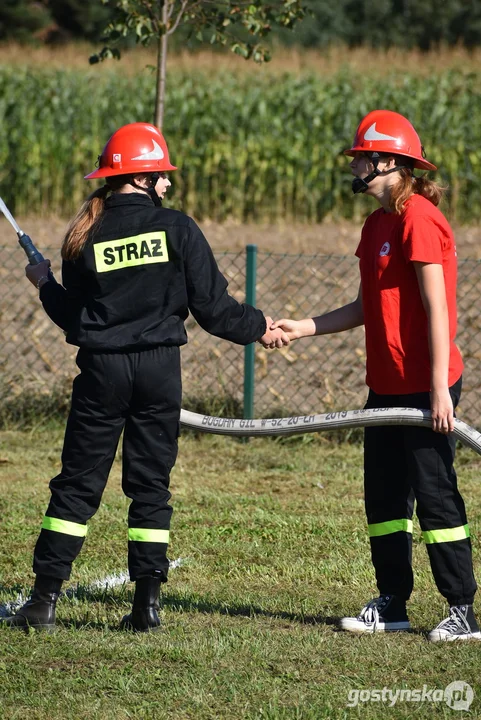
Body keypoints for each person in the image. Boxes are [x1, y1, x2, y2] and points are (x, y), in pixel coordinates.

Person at [3, 122, 288, 633]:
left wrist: (44, 283)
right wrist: (260, 328)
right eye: (164, 176)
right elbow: (214, 310)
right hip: (160, 370)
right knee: (151, 485)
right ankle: (146, 608)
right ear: (146, 177)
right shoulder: (177, 228)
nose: (169, 186)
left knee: (76, 485)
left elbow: (76, 318)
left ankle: (43, 602)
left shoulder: (83, 236)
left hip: (101, 372)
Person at [272, 109, 480, 642]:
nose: (357, 164)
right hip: (385, 383)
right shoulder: (376, 224)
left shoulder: (420, 220)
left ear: (389, 161)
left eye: (364, 156)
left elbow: (439, 309)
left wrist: (439, 390)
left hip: (426, 385)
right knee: (384, 498)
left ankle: (461, 610)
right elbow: (368, 305)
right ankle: (392, 602)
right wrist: (305, 327)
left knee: (435, 495)